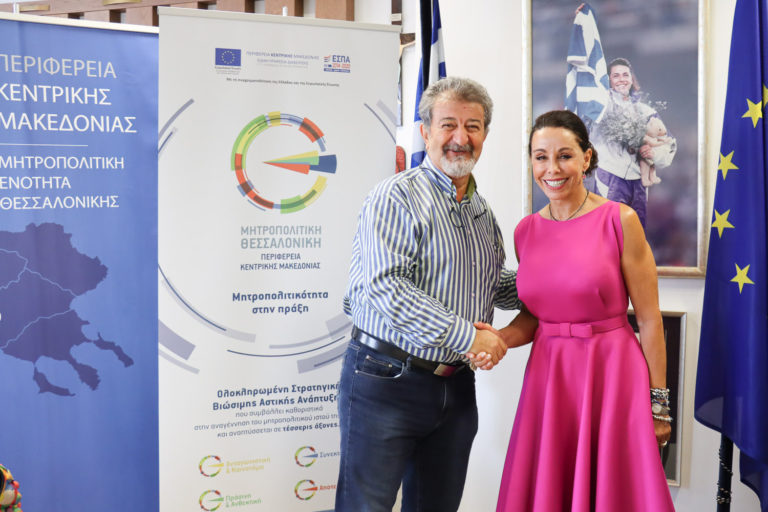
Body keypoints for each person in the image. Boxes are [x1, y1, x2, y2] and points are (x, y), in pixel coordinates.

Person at [335, 76, 536, 512]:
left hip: (456, 389)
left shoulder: (482, 213)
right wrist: (471, 337)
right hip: (385, 381)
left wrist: (554, 285)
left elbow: (494, 285)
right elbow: (387, 287)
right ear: (425, 132)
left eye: (473, 126)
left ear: (485, 135)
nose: (461, 138)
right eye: (448, 125)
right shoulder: (395, 196)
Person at [482, 110, 674, 511]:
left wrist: (659, 405)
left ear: (586, 158)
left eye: (564, 156)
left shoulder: (620, 220)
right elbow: (536, 316)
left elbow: (649, 319)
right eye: (541, 157)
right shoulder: (525, 231)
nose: (552, 169)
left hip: (613, 375)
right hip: (549, 377)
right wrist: (498, 340)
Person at [589, 57, 676, 228]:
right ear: (608, 80)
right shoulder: (601, 108)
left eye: (625, 75)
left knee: (636, 232)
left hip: (638, 181)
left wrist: (654, 154)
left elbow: (669, 143)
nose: (621, 79)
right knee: (609, 230)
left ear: (631, 78)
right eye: (616, 76)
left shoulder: (646, 111)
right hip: (611, 177)